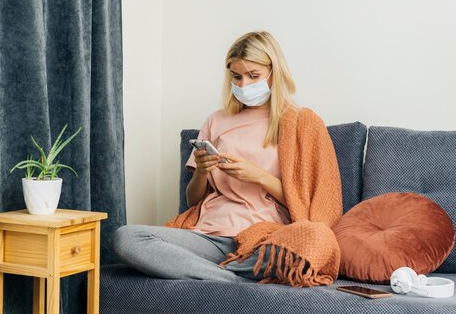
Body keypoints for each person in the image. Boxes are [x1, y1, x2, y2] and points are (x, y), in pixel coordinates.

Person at [112, 31, 341, 284]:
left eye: (253, 76)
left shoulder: (301, 123)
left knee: (317, 237)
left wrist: (260, 177)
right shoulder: (217, 121)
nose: (243, 85)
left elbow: (311, 209)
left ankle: (201, 271)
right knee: (127, 237)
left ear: (275, 72)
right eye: (237, 77)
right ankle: (231, 280)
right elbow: (193, 200)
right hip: (208, 236)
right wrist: (201, 170)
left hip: (263, 241)